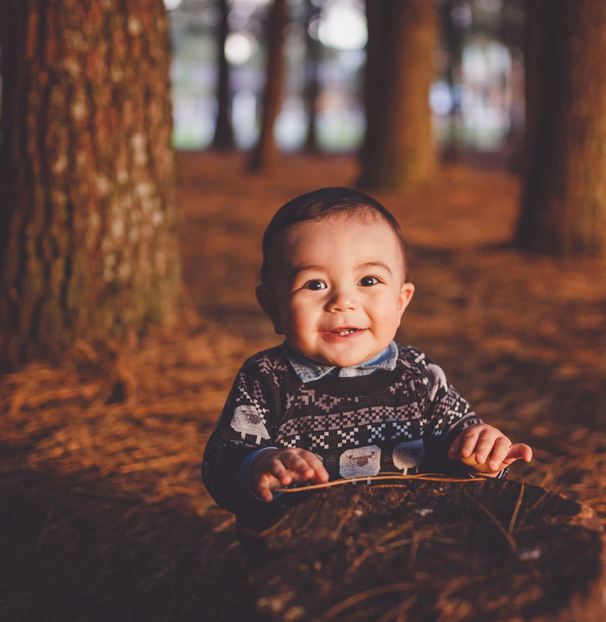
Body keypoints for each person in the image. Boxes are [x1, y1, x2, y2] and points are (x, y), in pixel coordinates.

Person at [201, 187, 533, 525]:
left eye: (369, 280)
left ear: (401, 301)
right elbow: (220, 463)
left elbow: (459, 452)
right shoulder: (267, 379)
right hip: (298, 552)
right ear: (273, 307)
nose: (343, 301)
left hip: (407, 544)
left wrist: (480, 455)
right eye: (315, 284)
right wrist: (257, 464)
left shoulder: (419, 376)